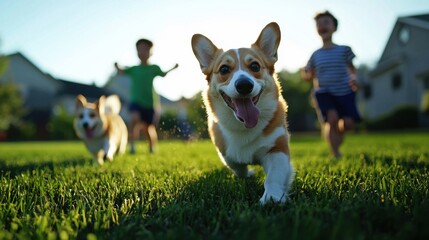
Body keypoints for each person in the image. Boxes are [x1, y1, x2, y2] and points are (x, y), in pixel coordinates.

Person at [302, 11, 360, 158]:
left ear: (334, 27)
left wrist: (354, 78)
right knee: (332, 119)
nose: (322, 26)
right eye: (319, 23)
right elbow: (307, 74)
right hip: (324, 92)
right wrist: (307, 73)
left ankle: (334, 135)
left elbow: (352, 68)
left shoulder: (344, 50)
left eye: (326, 22)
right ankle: (336, 153)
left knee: (348, 124)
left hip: (344, 92)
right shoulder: (315, 55)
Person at [115, 39, 178, 154]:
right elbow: (121, 72)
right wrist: (117, 66)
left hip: (150, 103)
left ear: (150, 52)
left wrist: (173, 68)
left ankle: (152, 147)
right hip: (136, 101)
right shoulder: (134, 69)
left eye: (145, 49)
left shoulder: (153, 68)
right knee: (134, 119)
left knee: (148, 128)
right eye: (139, 49)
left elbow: (163, 74)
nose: (142, 52)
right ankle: (132, 146)